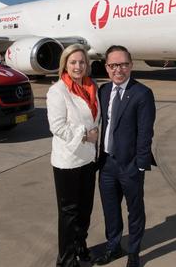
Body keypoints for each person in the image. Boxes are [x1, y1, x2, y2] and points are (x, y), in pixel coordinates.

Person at [94, 45, 156, 267]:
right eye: (113, 65)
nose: (118, 70)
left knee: (135, 211)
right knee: (110, 210)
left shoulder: (142, 94)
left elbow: (145, 132)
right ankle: (113, 247)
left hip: (130, 165)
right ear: (107, 68)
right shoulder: (103, 91)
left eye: (122, 64)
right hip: (107, 163)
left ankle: (134, 254)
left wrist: (140, 165)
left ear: (131, 65)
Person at [46, 44, 100, 267]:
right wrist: (85, 136)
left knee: (85, 209)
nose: (78, 66)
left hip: (88, 159)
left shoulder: (92, 87)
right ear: (65, 65)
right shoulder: (57, 91)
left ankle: (80, 246)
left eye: (82, 62)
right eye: (73, 62)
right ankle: (66, 259)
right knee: (69, 212)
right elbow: (57, 126)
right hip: (67, 161)